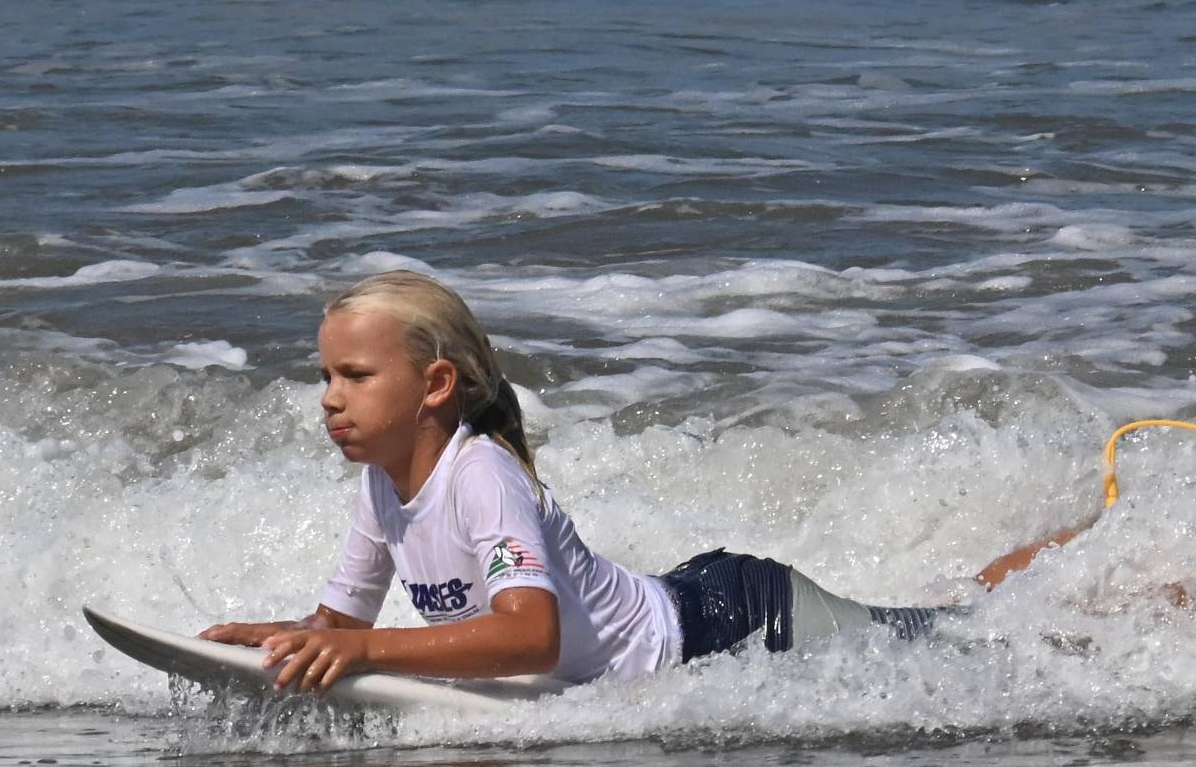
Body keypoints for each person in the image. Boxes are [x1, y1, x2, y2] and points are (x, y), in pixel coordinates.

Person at [199, 271, 951, 694]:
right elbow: (346, 629)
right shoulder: (382, 484)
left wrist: (365, 654)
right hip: (687, 609)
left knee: (959, 636)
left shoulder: (480, 475)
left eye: (356, 376)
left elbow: (532, 636)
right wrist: (289, 638)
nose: (330, 396)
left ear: (435, 384)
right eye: (325, 375)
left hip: (735, 620)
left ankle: (1043, 569)